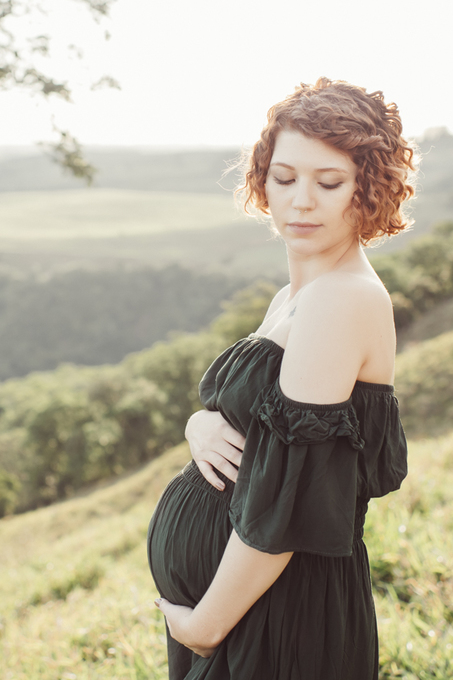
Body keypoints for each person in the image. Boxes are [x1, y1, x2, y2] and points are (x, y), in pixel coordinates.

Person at [147, 77, 416, 679]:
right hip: (249, 610)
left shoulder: (341, 300)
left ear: (369, 189)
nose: (301, 202)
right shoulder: (297, 297)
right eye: (284, 177)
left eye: (329, 183)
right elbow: (258, 424)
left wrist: (206, 625)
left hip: (274, 617)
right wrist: (199, 425)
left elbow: (289, 501)